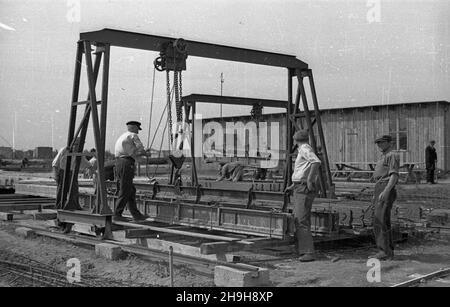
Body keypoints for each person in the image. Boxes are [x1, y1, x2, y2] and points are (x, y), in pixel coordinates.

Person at [284, 130, 321, 262]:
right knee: (300, 218)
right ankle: (302, 249)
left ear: (295, 140)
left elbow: (316, 162)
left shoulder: (305, 148)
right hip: (299, 186)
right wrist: (293, 185)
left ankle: (308, 252)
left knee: (301, 220)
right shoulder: (303, 149)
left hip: (303, 187)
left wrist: (310, 180)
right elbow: (303, 169)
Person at [370, 135, 399, 260]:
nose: (379, 145)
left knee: (380, 220)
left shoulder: (392, 155)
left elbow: (394, 176)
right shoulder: (384, 156)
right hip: (379, 186)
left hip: (385, 186)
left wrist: (386, 191)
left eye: (382, 142)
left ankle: (384, 251)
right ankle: (387, 250)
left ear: (389, 143)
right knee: (382, 220)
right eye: (378, 143)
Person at [113, 121, 149, 222]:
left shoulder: (123, 136)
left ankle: (136, 215)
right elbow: (140, 149)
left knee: (130, 190)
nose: (138, 131)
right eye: (138, 129)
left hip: (120, 163)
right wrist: (146, 154)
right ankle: (117, 214)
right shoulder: (133, 135)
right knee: (125, 189)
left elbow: (131, 152)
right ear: (133, 128)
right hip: (126, 163)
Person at [52, 137, 92, 209]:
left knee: (74, 189)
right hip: (63, 172)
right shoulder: (64, 150)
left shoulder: (78, 152)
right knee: (62, 190)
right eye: (77, 145)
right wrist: (55, 175)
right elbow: (55, 164)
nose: (78, 147)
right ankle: (59, 206)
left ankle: (75, 205)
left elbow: (86, 163)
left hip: (72, 172)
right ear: (73, 144)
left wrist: (93, 170)